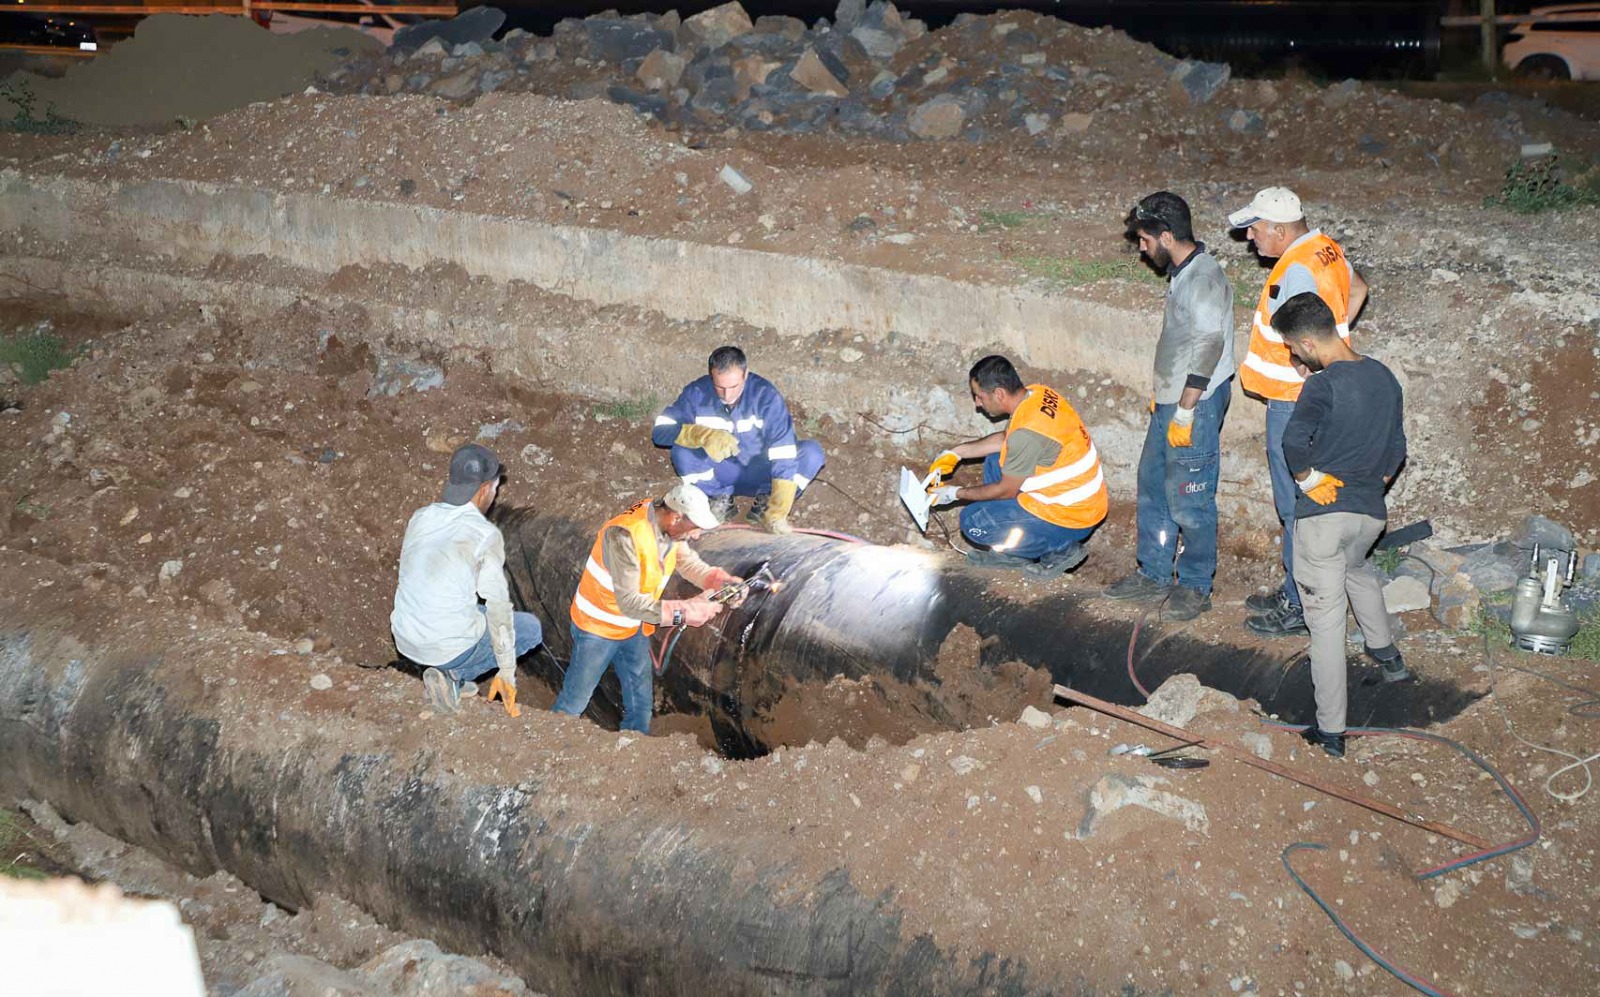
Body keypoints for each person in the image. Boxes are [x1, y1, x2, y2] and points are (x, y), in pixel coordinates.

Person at [1273, 293, 1411, 758]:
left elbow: (1293, 441)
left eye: (1293, 348)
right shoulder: (1383, 376)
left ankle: (1330, 731)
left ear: (1309, 341)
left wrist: (1309, 479)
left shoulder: (1322, 385)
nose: (1293, 355)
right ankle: (1387, 655)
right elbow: (1397, 450)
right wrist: (1370, 483)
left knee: (1326, 623)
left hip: (1324, 521)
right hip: (1370, 515)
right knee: (1357, 571)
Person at [1228, 186, 1370, 639]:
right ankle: (1298, 588)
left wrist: (1308, 369)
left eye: (1254, 229)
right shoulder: (1324, 248)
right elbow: (1360, 288)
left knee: (1295, 504)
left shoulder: (1295, 270)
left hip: (1293, 400)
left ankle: (1300, 603)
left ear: (1278, 228)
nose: (1250, 238)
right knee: (1304, 501)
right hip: (1313, 391)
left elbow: (1303, 337)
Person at [1102, 192, 1236, 621]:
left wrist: (1184, 409)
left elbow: (1211, 345)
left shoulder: (1204, 280)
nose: (1142, 249)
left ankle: (1195, 585)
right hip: (1173, 401)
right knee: (1154, 486)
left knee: (1189, 499)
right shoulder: (1183, 273)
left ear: (1166, 235)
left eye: (1145, 240)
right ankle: (1154, 573)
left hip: (1194, 406)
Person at [554, 482, 741, 734]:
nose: (696, 535)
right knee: (575, 700)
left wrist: (716, 579)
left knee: (640, 703)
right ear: (676, 517)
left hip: (634, 628)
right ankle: (549, 746)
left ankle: (633, 748)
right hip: (598, 630)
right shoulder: (623, 536)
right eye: (694, 528)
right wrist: (686, 611)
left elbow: (686, 562)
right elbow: (630, 603)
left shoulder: (666, 526)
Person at [391, 443, 543, 718]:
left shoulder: (421, 517)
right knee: (530, 629)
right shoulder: (484, 534)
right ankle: (453, 676)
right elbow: (498, 609)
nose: (494, 497)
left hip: (405, 636)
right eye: (495, 490)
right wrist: (507, 672)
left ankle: (436, 666)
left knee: (469, 608)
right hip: (444, 647)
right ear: (484, 489)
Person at [926, 355, 1107, 576]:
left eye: (979, 396)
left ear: (999, 394)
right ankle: (1014, 549)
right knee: (995, 461)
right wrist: (955, 453)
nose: (977, 403)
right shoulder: (1037, 394)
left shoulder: (1028, 434)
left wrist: (954, 493)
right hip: (1078, 501)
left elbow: (1006, 489)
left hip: (1071, 516)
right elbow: (1006, 439)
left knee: (973, 522)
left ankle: (1060, 550)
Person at [651, 346, 825, 534]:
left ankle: (767, 504)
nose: (727, 395)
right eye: (720, 387)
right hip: (722, 473)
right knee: (682, 452)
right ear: (711, 376)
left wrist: (779, 508)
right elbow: (660, 432)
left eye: (734, 387)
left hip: (763, 473)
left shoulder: (765, 396)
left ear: (745, 374)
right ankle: (719, 500)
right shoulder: (696, 393)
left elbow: (783, 451)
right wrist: (702, 435)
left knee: (811, 453)